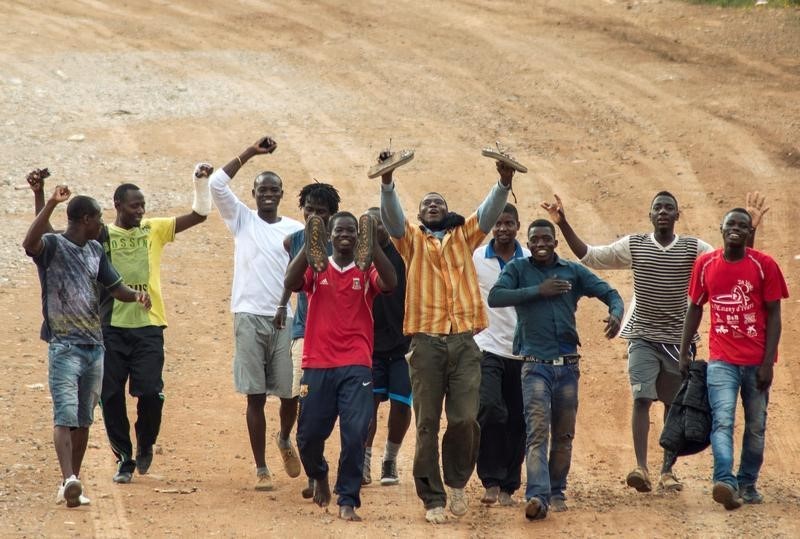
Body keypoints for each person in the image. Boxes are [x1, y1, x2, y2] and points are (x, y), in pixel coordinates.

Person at [541, 191, 767, 493]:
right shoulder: (635, 244)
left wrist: (749, 231)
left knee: (673, 406)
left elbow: (731, 264)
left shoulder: (694, 248)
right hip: (642, 336)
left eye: (668, 208)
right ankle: (641, 467)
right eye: (657, 207)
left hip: (678, 342)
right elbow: (591, 255)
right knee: (641, 398)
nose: (662, 211)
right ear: (650, 215)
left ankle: (667, 471)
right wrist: (563, 222)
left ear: (677, 215)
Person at [29, 166, 211, 483]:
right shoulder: (101, 235)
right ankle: (124, 459)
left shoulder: (153, 229)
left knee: (151, 393)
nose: (140, 210)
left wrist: (201, 181)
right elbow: (51, 238)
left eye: (142, 205)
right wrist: (42, 196)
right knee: (110, 398)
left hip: (149, 326)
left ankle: (145, 443)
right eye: (134, 205)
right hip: (109, 328)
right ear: (117, 205)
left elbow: (199, 214)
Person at [378, 149, 514, 523]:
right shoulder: (410, 241)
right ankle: (432, 497)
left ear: (447, 209)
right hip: (424, 344)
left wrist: (504, 182)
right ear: (419, 214)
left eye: (438, 201)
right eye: (426, 203)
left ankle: (456, 481)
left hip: (465, 343)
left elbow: (487, 211)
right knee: (425, 424)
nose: (432, 205)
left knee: (466, 419)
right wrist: (388, 182)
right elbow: (391, 218)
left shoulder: (463, 236)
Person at [23, 183, 150, 507]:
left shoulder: (95, 252)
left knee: (83, 419)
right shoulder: (52, 247)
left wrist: (136, 295)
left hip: (95, 346)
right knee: (64, 416)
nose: (102, 225)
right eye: (98, 219)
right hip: (65, 345)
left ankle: (72, 485)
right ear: (84, 219)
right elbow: (29, 242)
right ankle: (68, 478)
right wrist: (49, 202)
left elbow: (116, 286)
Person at [488, 218, 624, 521]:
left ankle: (557, 491)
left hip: (567, 366)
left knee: (563, 434)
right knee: (537, 433)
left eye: (546, 239)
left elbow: (611, 293)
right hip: (535, 365)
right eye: (534, 239)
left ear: (555, 242)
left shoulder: (571, 271)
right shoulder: (517, 270)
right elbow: (495, 297)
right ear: (528, 241)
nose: (540, 244)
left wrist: (616, 315)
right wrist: (539, 290)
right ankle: (537, 496)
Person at [286, 212, 397, 521]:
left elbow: (391, 282)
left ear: (358, 237)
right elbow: (290, 281)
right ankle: (319, 474)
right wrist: (308, 247)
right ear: (329, 236)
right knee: (307, 438)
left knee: (355, 433)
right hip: (317, 363)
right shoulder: (317, 267)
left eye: (352, 231)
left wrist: (373, 243)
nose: (345, 234)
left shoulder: (367, 270)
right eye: (339, 231)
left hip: (356, 364)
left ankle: (347, 498)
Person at [209, 136, 304, 490]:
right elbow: (217, 183)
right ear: (253, 193)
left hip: (285, 319)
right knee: (255, 396)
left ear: (281, 194)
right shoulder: (241, 220)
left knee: (291, 392)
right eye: (262, 188)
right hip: (248, 315)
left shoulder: (294, 229)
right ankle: (261, 467)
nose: (267, 193)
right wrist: (250, 151)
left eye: (273, 189)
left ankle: (284, 438)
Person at [679, 208, 788, 510]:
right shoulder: (706, 264)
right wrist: (685, 350)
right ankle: (725, 481)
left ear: (749, 232)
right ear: (721, 229)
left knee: (755, 425)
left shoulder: (764, 265)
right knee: (723, 420)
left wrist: (768, 363)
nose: (736, 229)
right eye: (731, 224)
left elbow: (775, 314)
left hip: (756, 363)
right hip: (721, 360)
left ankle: (747, 483)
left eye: (742, 225)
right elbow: (695, 307)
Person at [274, 180, 341, 498]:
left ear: (333, 214)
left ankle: (315, 471)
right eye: (309, 210)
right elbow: (293, 275)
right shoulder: (297, 239)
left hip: (336, 333)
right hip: (304, 330)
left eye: (321, 211)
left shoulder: (344, 238)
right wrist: (280, 305)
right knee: (301, 398)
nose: (314, 216)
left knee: (320, 404)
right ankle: (289, 441)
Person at [472, 203, 530, 506]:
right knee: (491, 409)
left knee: (519, 419)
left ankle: (509, 484)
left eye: (509, 223)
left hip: (523, 351)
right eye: (498, 223)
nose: (503, 228)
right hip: (488, 346)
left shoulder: (531, 260)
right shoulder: (477, 257)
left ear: (518, 226)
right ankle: (490, 481)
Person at [361, 207, 412, 487]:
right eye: (368, 224)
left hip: (404, 344)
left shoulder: (405, 255)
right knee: (368, 405)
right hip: (368, 345)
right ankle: (364, 459)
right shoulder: (357, 257)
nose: (375, 228)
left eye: (379, 223)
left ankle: (390, 458)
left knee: (401, 405)